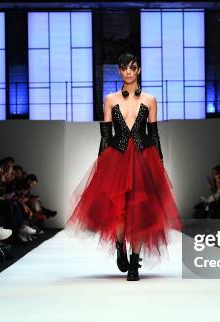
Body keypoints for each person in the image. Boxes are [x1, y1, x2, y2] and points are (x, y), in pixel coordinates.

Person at [65, 53, 182, 281]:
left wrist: (159, 163)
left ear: (139, 70)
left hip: (143, 158)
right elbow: (106, 135)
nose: (128, 71)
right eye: (124, 68)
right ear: (119, 71)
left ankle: (134, 265)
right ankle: (120, 244)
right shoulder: (110, 99)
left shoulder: (150, 100)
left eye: (133, 67)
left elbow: (154, 134)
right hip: (116, 158)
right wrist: (101, 165)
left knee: (140, 211)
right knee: (119, 210)